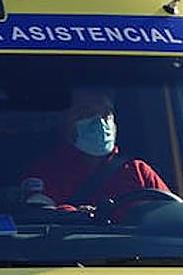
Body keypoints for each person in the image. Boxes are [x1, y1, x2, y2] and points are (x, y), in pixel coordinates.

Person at [22, 87, 171, 208]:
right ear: (64, 124)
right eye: (86, 113)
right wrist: (75, 217)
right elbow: (37, 214)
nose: (99, 121)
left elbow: (173, 216)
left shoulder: (139, 171)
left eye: (106, 114)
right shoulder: (47, 171)